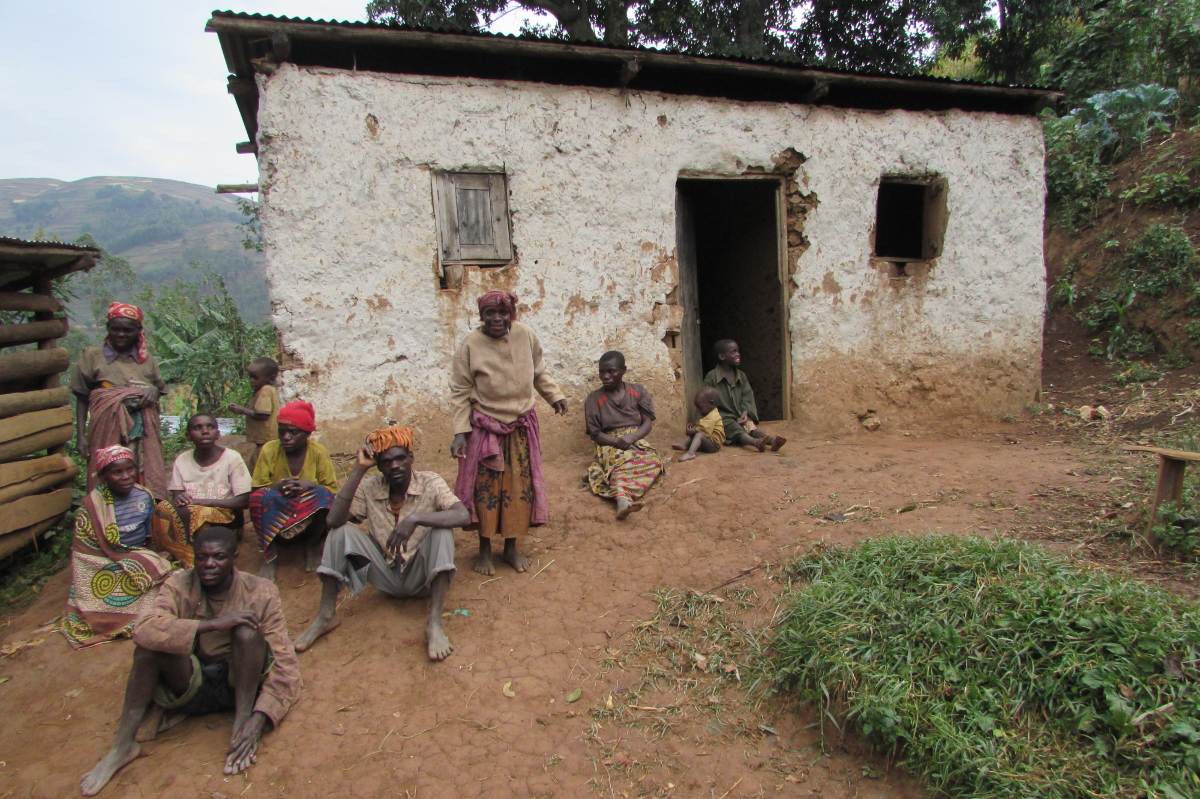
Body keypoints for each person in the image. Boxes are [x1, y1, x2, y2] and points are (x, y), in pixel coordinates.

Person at [79, 525, 301, 796]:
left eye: (219, 557)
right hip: (191, 682)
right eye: (201, 557)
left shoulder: (262, 591)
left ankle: (241, 724)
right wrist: (213, 625)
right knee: (148, 648)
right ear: (193, 558)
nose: (209, 565)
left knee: (247, 632)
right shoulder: (178, 584)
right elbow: (144, 629)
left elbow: (285, 663)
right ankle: (122, 747)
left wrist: (260, 717)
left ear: (234, 558)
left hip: (240, 683)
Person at [293, 425, 469, 660]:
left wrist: (416, 519)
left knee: (442, 532)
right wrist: (359, 469)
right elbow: (333, 520)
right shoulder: (370, 487)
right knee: (339, 532)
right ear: (378, 465)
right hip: (386, 574)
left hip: (421, 580)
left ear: (411, 458)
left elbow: (462, 515)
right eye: (386, 461)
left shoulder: (430, 482)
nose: (394, 466)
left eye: (400, 459)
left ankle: (434, 623)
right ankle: (326, 616)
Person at [450, 291, 567, 575]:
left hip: (520, 428)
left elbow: (539, 370)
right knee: (485, 492)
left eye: (503, 313)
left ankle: (511, 549)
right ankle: (485, 551)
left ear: (511, 314)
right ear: (481, 316)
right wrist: (460, 432)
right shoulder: (470, 345)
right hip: (485, 430)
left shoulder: (525, 335)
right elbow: (460, 391)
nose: (497, 319)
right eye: (490, 313)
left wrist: (554, 396)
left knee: (518, 490)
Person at [61, 446, 175, 649]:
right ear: (104, 476)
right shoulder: (92, 505)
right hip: (105, 563)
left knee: (168, 581)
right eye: (117, 472)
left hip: (137, 558)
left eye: (130, 470)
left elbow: (150, 536)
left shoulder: (144, 497)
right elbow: (84, 550)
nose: (126, 477)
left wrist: (148, 558)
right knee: (96, 600)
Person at [71, 302, 169, 498]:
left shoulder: (146, 359)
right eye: (115, 329)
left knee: (141, 471)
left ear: (139, 331)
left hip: (141, 430)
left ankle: (142, 514)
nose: (120, 334)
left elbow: (159, 388)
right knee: (107, 471)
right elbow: (82, 397)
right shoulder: (92, 356)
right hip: (106, 427)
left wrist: (153, 390)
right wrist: (81, 436)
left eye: (127, 330)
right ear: (108, 328)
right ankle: (104, 520)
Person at [249, 401, 338, 579]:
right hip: (277, 512)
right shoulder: (269, 450)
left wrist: (309, 485)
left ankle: (312, 545)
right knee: (257, 498)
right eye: (281, 432)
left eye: (293, 432)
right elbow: (257, 489)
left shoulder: (318, 452)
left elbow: (331, 490)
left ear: (307, 434)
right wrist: (278, 487)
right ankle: (270, 554)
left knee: (324, 496)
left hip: (306, 515)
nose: (286, 437)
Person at [152, 413, 253, 568]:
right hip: (189, 515)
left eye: (210, 427)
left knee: (196, 513)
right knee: (162, 508)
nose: (205, 431)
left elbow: (244, 501)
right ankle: (170, 550)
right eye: (197, 428)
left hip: (226, 520)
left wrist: (205, 502)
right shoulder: (182, 459)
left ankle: (189, 562)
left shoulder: (232, 458)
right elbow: (177, 497)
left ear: (218, 434)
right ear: (188, 435)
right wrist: (180, 499)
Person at [583, 351, 665, 520]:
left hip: (635, 436)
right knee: (620, 463)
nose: (605, 376)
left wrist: (632, 438)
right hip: (609, 442)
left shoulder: (638, 391)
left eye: (611, 371)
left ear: (623, 370)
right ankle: (622, 501)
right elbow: (595, 434)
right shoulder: (594, 399)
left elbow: (647, 422)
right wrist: (618, 442)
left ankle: (625, 496)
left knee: (653, 461)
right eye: (601, 372)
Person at [703, 340, 787, 453]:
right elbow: (705, 400)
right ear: (722, 356)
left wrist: (745, 412)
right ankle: (755, 443)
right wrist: (700, 422)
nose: (738, 354)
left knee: (750, 426)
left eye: (738, 351)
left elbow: (747, 396)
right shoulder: (711, 377)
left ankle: (772, 441)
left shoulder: (741, 376)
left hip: (740, 415)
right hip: (722, 417)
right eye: (733, 352)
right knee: (734, 428)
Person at [228, 358, 282, 473]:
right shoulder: (266, 390)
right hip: (264, 441)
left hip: (265, 439)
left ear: (271, 378)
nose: (251, 381)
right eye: (250, 377)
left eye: (255, 378)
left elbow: (262, 414)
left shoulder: (265, 390)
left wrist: (241, 410)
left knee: (259, 471)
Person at [673, 386, 725, 461]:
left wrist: (691, 431)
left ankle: (691, 453)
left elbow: (703, 430)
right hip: (709, 440)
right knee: (697, 433)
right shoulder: (709, 413)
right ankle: (685, 445)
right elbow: (702, 426)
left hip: (713, 446)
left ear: (711, 403)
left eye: (700, 408)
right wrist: (693, 426)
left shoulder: (713, 416)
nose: (699, 411)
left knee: (699, 435)